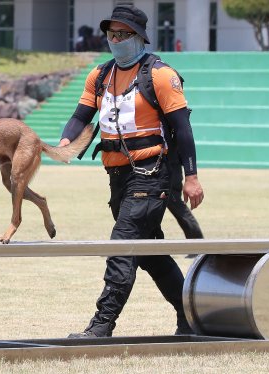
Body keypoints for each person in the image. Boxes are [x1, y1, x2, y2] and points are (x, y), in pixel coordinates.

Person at [58, 4, 204, 337]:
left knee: (123, 244)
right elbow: (81, 116)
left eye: (124, 34)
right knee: (151, 253)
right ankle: (190, 316)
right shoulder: (99, 75)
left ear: (139, 37)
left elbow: (183, 129)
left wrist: (191, 176)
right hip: (117, 177)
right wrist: (67, 138)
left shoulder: (161, 75)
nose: (116, 40)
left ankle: (102, 323)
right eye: (112, 34)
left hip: (152, 174)